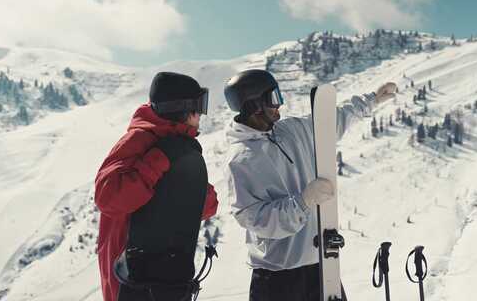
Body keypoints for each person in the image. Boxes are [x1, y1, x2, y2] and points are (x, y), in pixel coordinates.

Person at [95, 72, 218, 301]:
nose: (201, 114)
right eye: (199, 106)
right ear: (182, 108)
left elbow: (208, 207)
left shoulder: (183, 147)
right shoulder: (138, 141)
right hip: (129, 278)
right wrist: (160, 160)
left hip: (165, 275)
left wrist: (191, 181)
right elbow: (108, 198)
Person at [224, 69, 346, 301]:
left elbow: (329, 123)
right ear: (253, 106)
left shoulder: (291, 130)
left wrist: (373, 99)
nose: (280, 104)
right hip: (278, 279)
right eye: (273, 98)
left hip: (323, 268)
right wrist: (303, 201)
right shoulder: (241, 160)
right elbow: (256, 219)